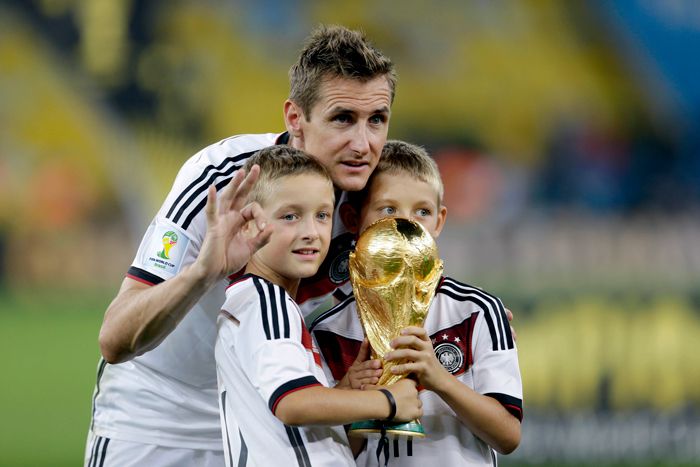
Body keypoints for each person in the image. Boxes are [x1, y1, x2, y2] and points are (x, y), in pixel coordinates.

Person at [85, 25, 396, 467]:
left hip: (280, 412)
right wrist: (203, 273)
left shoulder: (383, 196)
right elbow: (115, 338)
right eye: (342, 118)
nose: (363, 144)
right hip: (160, 417)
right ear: (295, 119)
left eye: (377, 120)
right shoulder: (224, 177)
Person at [310, 140, 523, 466]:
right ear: (353, 219)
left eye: (421, 212)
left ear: (439, 221)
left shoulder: (478, 311)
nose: (406, 224)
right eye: (388, 210)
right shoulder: (327, 330)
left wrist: (438, 378)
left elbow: (508, 436)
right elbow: (327, 454)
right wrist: (356, 398)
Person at [215, 145, 422, 466]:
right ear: (249, 223)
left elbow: (290, 415)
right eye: (290, 216)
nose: (311, 232)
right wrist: (387, 401)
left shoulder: (266, 301)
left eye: (322, 215)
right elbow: (292, 404)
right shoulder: (266, 302)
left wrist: (344, 390)